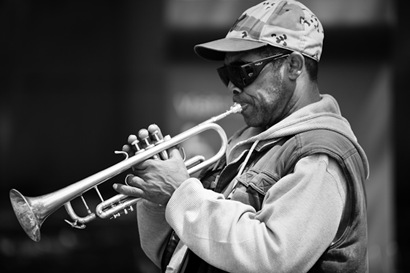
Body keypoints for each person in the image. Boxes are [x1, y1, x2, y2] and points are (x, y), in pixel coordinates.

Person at [113, 0, 370, 272]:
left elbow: (273, 258)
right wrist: (157, 196)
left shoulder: (320, 154)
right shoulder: (249, 143)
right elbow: (179, 254)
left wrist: (179, 193)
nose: (233, 86)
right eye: (226, 74)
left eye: (244, 71)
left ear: (294, 66)